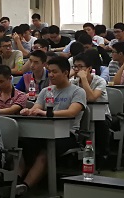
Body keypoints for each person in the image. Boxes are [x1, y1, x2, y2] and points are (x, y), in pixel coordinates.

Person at [17, 56, 86, 190]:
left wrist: (46, 113)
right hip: (45, 132)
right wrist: (29, 111)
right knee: (21, 143)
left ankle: (25, 187)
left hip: (68, 134)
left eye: (55, 72)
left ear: (65, 73)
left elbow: (72, 112)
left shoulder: (78, 91)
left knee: (47, 150)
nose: (51, 75)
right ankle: (17, 180)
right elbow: (37, 108)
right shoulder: (46, 91)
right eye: (49, 72)